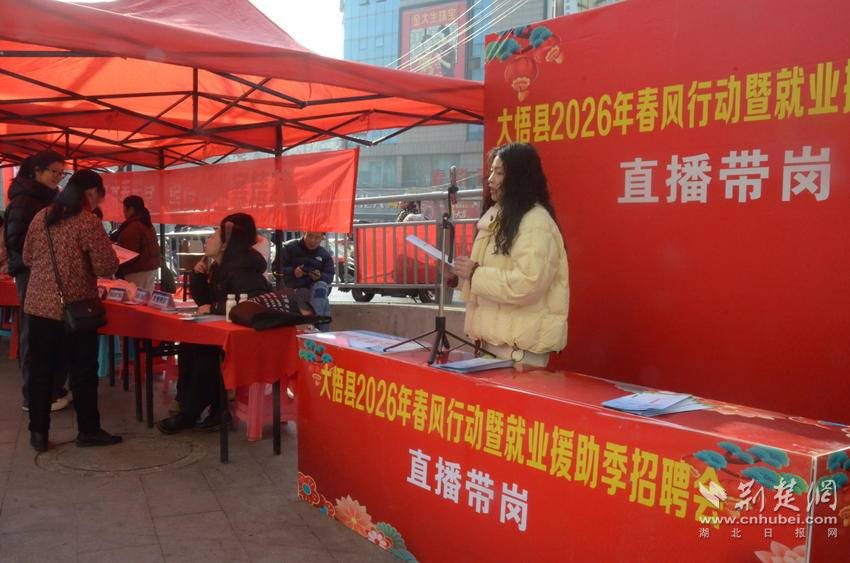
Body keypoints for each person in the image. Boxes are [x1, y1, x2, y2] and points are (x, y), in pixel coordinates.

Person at [22, 169, 122, 452]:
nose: (99, 202)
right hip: (76, 310)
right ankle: (88, 431)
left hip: (39, 308)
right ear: (90, 192)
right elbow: (106, 266)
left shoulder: (41, 217)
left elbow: (27, 257)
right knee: (83, 372)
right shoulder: (87, 222)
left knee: (41, 372)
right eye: (99, 196)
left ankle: (38, 434)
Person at [452, 143, 569, 368]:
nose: (490, 180)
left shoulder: (535, 222)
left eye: (499, 173)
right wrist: (458, 276)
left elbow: (527, 284)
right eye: (491, 172)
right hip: (494, 345)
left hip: (519, 352)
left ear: (519, 178)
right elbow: (491, 278)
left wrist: (474, 273)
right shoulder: (499, 217)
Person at [157, 213, 269, 434]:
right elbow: (204, 303)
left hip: (247, 339)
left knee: (207, 357)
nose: (207, 240)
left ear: (226, 244)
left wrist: (214, 307)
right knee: (189, 344)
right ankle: (208, 410)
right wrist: (198, 276)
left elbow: (251, 302)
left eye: (213, 236)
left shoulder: (243, 267)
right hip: (224, 333)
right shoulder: (219, 266)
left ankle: (189, 414)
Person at [4, 150, 71, 412]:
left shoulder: (48, 198)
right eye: (54, 172)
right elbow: (16, 241)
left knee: (52, 333)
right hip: (31, 272)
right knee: (35, 333)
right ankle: (33, 397)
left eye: (62, 173)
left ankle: (51, 389)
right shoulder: (25, 200)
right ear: (37, 171)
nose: (58, 177)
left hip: (48, 271)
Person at [273, 232, 333, 331]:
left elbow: (329, 276)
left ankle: (314, 324)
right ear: (304, 234)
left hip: (315, 290)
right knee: (323, 302)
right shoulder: (288, 248)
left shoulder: (324, 254)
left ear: (322, 238)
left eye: (317, 237)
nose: (313, 241)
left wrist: (319, 276)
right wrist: (293, 272)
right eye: (310, 236)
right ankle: (320, 329)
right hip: (294, 289)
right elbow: (275, 270)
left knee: (321, 286)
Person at [111, 195, 161, 290]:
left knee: (135, 297)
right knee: (145, 296)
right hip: (149, 268)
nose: (124, 213)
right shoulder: (145, 223)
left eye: (124, 209)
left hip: (137, 270)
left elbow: (129, 253)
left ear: (131, 209)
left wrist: (115, 263)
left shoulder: (133, 227)